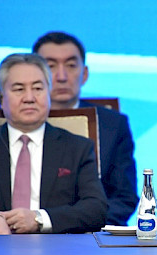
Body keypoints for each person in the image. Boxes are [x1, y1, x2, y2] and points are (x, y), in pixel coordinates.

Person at [0, 53, 108, 234]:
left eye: (38, 88)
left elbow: (96, 209)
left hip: (57, 248)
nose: (29, 98)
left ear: (49, 94)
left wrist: (39, 219)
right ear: (1, 99)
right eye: (19, 89)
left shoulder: (77, 148)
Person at [32, 31, 138, 225]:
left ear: (85, 74)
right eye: (50, 66)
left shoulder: (113, 125)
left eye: (71, 65)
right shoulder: (7, 123)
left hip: (92, 232)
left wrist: (83, 225)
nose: (61, 76)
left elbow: (124, 198)